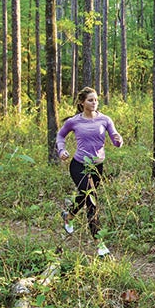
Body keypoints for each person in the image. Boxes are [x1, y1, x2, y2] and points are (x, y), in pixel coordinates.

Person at [57, 87, 123, 257]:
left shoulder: (105, 120)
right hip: (79, 165)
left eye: (96, 100)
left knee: (84, 196)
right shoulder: (74, 121)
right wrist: (61, 151)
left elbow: (115, 138)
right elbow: (60, 136)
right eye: (90, 100)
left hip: (97, 166)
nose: (94, 103)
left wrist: (118, 140)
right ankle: (99, 244)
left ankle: (69, 216)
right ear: (82, 102)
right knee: (92, 199)